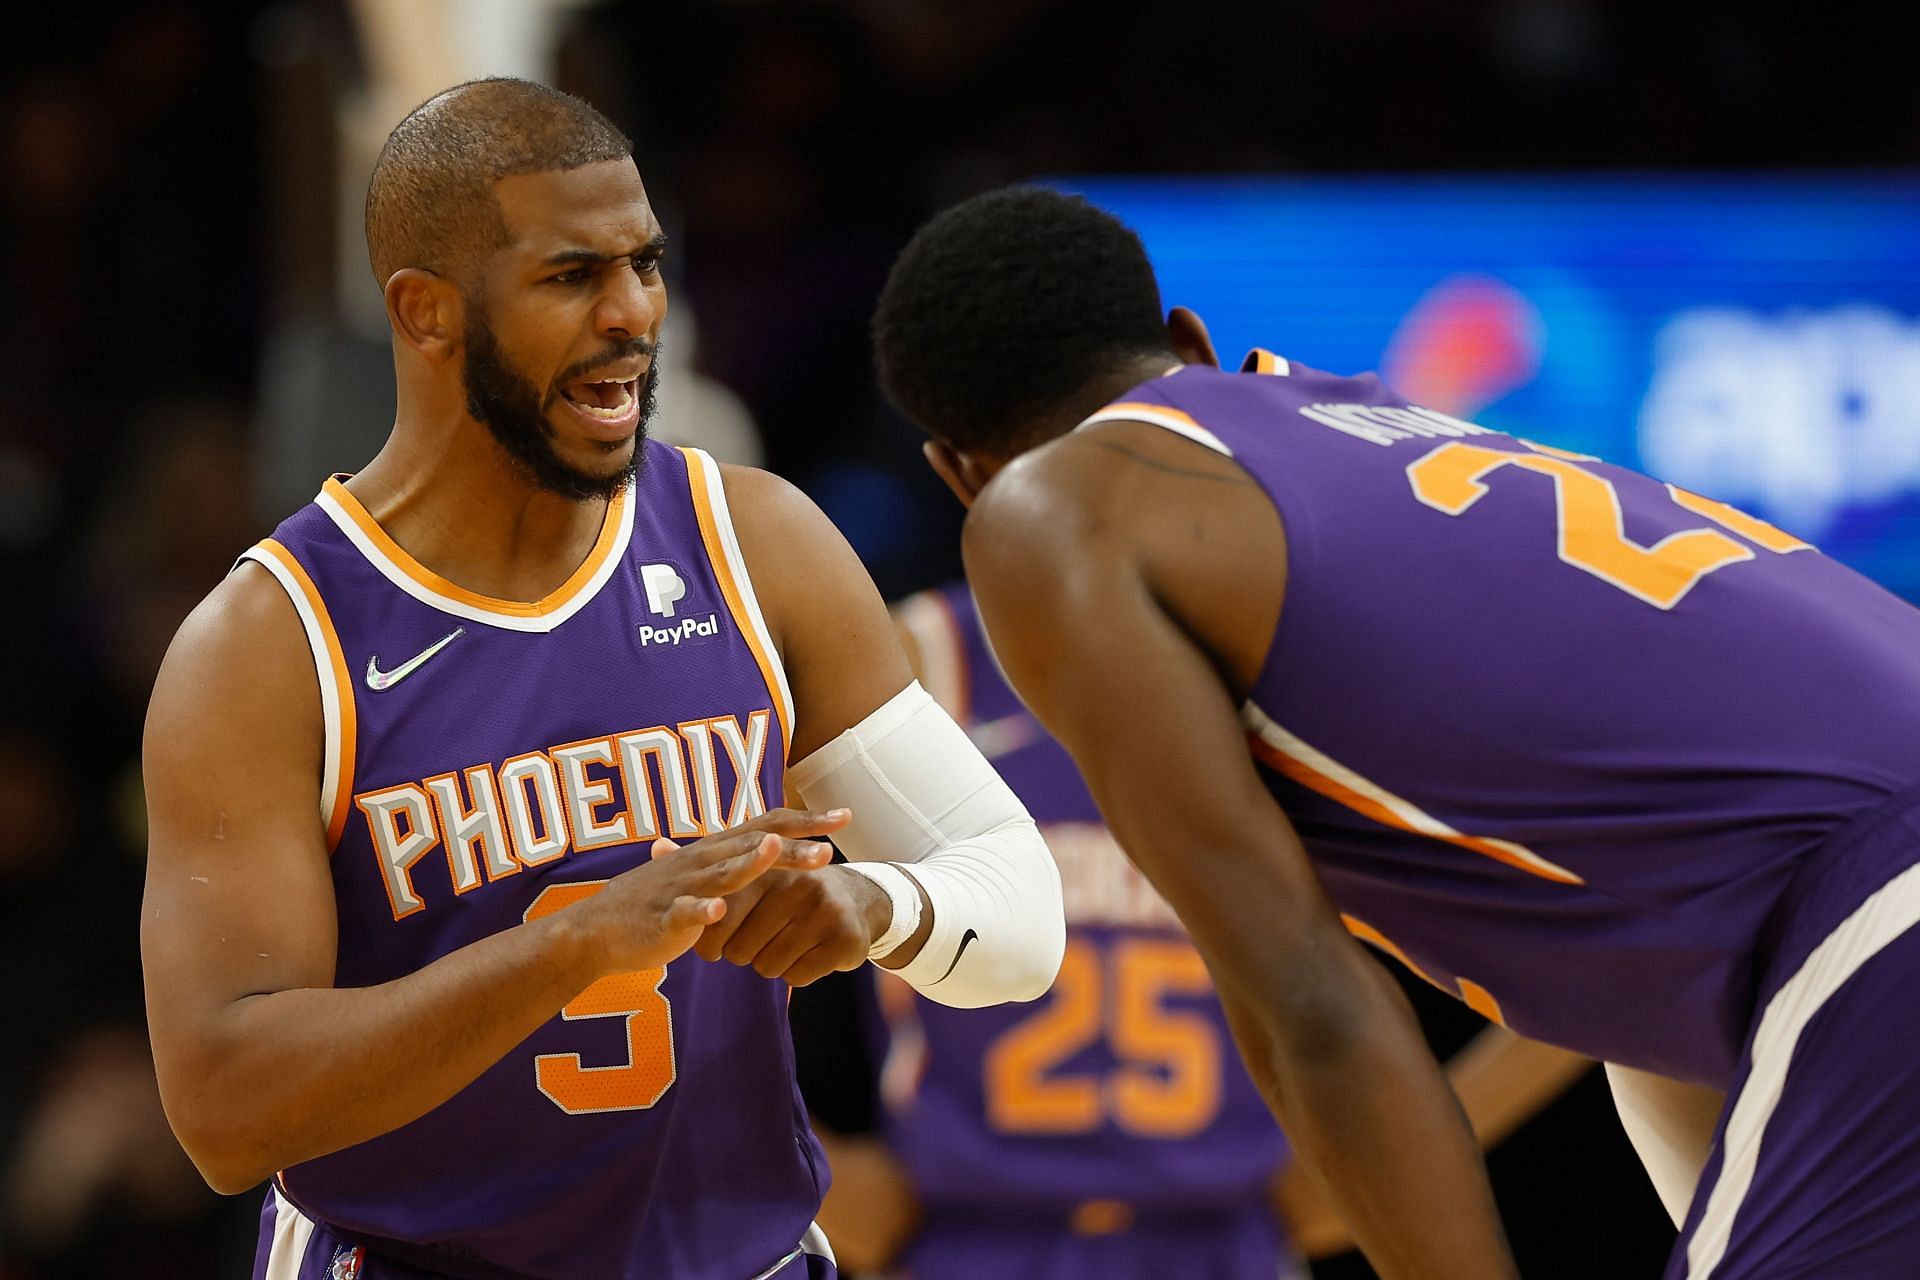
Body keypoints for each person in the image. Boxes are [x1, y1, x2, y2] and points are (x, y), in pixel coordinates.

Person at [870, 184, 1920, 1280]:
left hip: (1878, 892)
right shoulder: (1378, 428)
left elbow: (1306, 1004)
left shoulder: (1053, 509)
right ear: (1193, 342)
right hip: (1830, 912)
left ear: (960, 471)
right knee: (1649, 1078)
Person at [139, 80, 1065, 1280]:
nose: (632, 314)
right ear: (428, 315)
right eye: (572, 276)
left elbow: (1019, 909)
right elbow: (225, 1108)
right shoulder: (270, 643)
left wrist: (876, 909)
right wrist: (577, 945)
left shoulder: (754, 541)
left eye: (644, 264)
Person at [808, 583, 1592, 1279]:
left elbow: (1582, 940)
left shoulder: (1299, 686)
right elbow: (738, 879)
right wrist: (806, 1171)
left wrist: (1365, 1172)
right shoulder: (923, 655)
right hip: (968, 1232)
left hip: (1225, 1232)